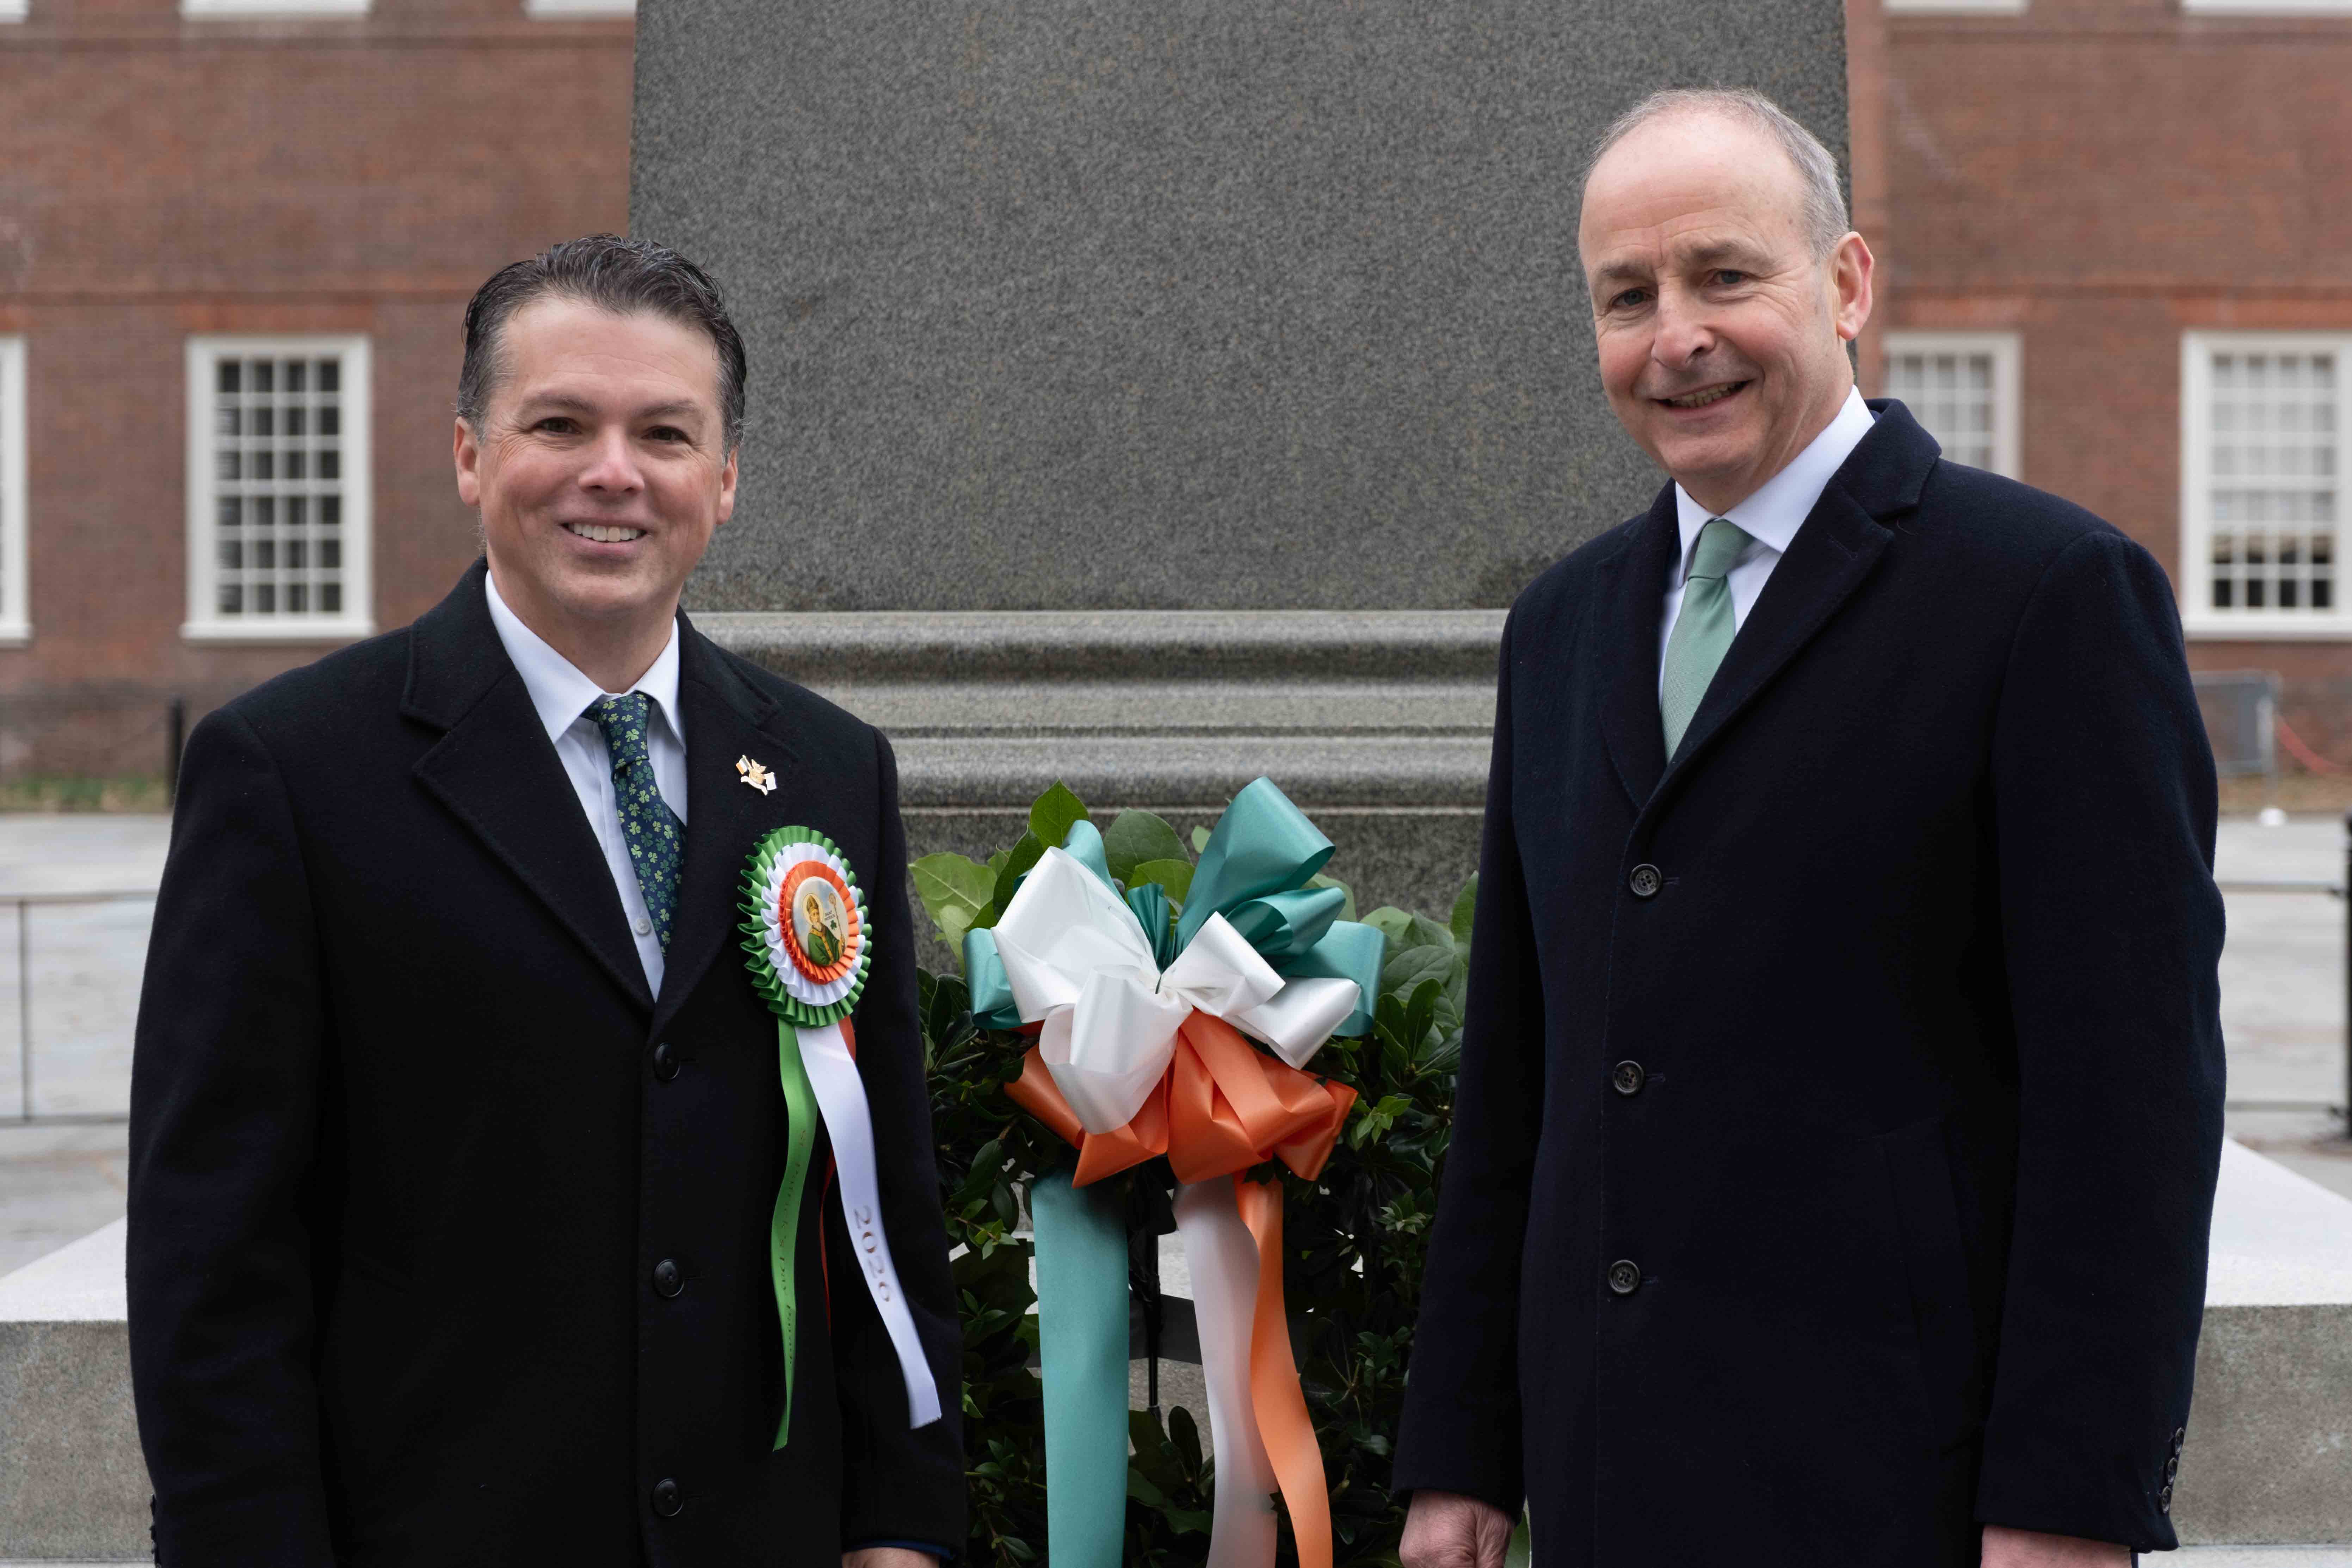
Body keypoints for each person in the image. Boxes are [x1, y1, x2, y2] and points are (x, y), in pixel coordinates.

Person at [1391, 89, 2223, 1568]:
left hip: (1901, 1495)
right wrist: (1463, 1450)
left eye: (1724, 276)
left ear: (1844, 284)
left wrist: (2065, 1500)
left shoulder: (2044, 598)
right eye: (1626, 297)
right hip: (1608, 1489)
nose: (1675, 337)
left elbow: (2130, 1108)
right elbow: (1523, 1086)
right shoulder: (1561, 627)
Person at [127, 235, 963, 1566]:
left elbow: (878, 1201)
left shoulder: (827, 768)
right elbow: (214, 1260)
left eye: (665, 434)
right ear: (470, 455)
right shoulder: (290, 772)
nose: (612, 473)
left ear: (726, 479)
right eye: (559, 423)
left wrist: (905, 1525)